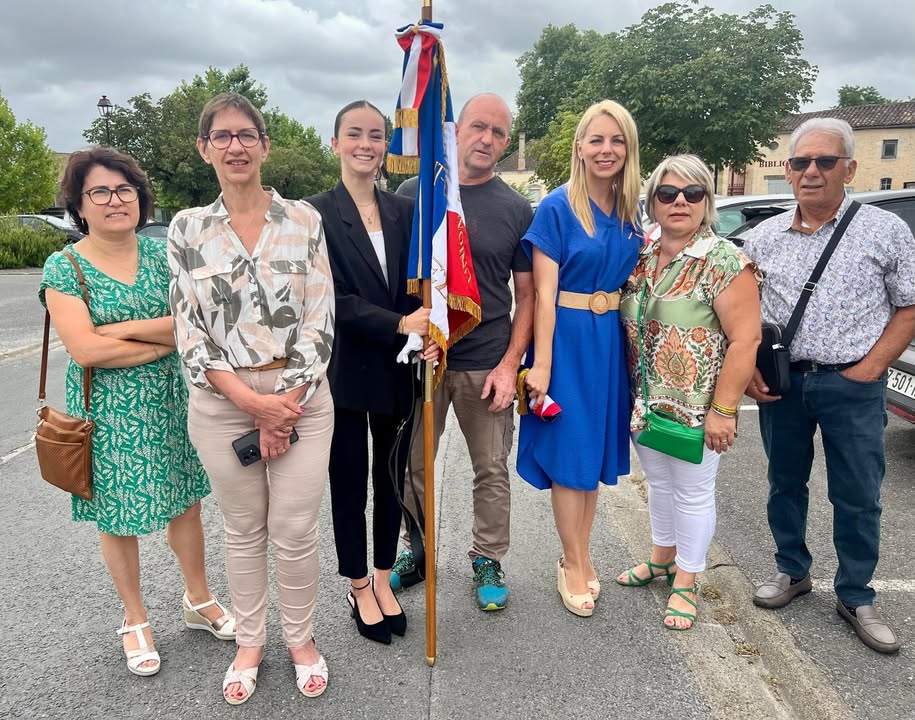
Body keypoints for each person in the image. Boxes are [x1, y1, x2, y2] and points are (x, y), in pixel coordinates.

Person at [39, 147, 234, 678]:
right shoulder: (65, 266)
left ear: (140, 198)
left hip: (171, 400)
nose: (115, 201)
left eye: (124, 190)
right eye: (99, 192)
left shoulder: (163, 254)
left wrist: (121, 331)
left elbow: (192, 326)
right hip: (106, 412)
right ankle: (135, 618)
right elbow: (86, 350)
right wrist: (160, 340)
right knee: (117, 516)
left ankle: (198, 598)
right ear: (80, 205)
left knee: (185, 503)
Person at [168, 93, 335, 702]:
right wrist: (254, 406)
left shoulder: (304, 221)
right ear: (204, 148)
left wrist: (281, 407)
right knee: (242, 528)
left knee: (294, 528)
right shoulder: (187, 228)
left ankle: (300, 640)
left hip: (301, 397)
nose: (235, 146)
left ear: (265, 146)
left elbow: (320, 319)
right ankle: (250, 641)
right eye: (222, 136)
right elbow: (189, 332)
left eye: (246, 135)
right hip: (223, 403)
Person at [744, 118, 915, 654]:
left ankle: (856, 595)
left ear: (850, 168)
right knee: (784, 483)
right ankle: (792, 570)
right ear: (789, 169)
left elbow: (909, 307)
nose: (811, 172)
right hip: (784, 383)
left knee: (858, 493)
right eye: (800, 162)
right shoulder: (763, 236)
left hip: (853, 384)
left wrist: (870, 368)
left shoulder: (885, 231)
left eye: (825, 161)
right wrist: (747, 370)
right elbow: (741, 314)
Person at [392, 93, 534, 610]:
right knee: (414, 466)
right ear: (454, 131)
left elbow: (528, 296)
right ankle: (416, 550)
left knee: (491, 469)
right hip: (426, 359)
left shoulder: (516, 209)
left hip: (486, 361)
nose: (487, 139)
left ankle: (487, 558)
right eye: (479, 126)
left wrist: (510, 365)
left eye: (499, 132)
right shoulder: (415, 193)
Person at [307, 100, 438, 644]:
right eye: (355, 134)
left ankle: (384, 577)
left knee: (390, 478)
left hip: (398, 366)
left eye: (376, 135)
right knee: (347, 480)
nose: (366, 144)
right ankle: (358, 584)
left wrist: (428, 332)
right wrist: (400, 323)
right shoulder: (313, 214)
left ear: (387, 145)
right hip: (344, 368)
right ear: (335, 142)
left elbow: (422, 284)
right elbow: (327, 297)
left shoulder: (406, 210)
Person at [616, 154, 762, 629]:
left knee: (694, 493)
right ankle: (661, 559)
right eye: (668, 193)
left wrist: (725, 410)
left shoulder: (724, 261)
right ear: (653, 201)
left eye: (692, 192)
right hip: (644, 402)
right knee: (658, 484)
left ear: (706, 201)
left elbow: (746, 340)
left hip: (696, 409)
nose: (680, 201)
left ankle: (687, 579)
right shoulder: (641, 256)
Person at [518, 100, 641, 617]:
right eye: (597, 140)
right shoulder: (556, 207)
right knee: (570, 457)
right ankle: (571, 561)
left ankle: (581, 553)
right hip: (566, 341)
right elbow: (544, 295)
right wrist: (542, 364)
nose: (606, 149)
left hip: (608, 342)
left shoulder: (631, 210)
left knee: (590, 457)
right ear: (580, 147)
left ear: (628, 149)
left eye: (616, 140)